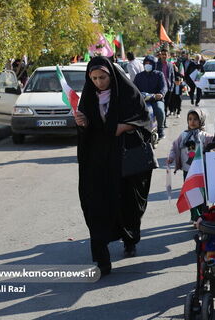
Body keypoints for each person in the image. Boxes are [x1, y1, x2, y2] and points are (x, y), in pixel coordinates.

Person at [74, 56, 152, 276]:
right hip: (97, 162)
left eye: (103, 77)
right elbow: (86, 131)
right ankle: (101, 259)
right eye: (94, 78)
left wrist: (124, 126)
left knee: (128, 205)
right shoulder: (88, 98)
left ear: (111, 75)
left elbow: (144, 121)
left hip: (125, 161)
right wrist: (83, 124)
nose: (99, 82)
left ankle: (129, 238)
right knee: (95, 204)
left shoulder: (128, 94)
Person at [167, 108, 213, 224]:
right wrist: (171, 157)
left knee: (202, 193)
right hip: (188, 170)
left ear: (201, 121)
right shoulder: (183, 135)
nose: (192, 122)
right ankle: (195, 216)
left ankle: (202, 215)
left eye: (196, 119)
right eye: (190, 119)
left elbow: (214, 142)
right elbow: (175, 147)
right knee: (191, 193)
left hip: (201, 170)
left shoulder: (204, 135)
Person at [134, 55, 167, 139]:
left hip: (156, 99)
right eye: (146, 63)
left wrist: (161, 94)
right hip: (143, 100)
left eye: (149, 63)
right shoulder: (139, 76)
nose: (147, 65)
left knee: (159, 110)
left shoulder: (159, 74)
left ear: (153, 64)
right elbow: (134, 88)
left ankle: (160, 129)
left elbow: (164, 87)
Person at [156, 48, 175, 124]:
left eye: (165, 54)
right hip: (159, 89)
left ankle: (164, 122)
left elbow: (172, 76)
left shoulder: (170, 65)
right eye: (162, 54)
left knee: (166, 106)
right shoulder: (157, 64)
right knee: (161, 105)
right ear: (160, 55)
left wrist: (172, 87)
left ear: (168, 55)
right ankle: (161, 122)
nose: (164, 56)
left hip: (168, 88)